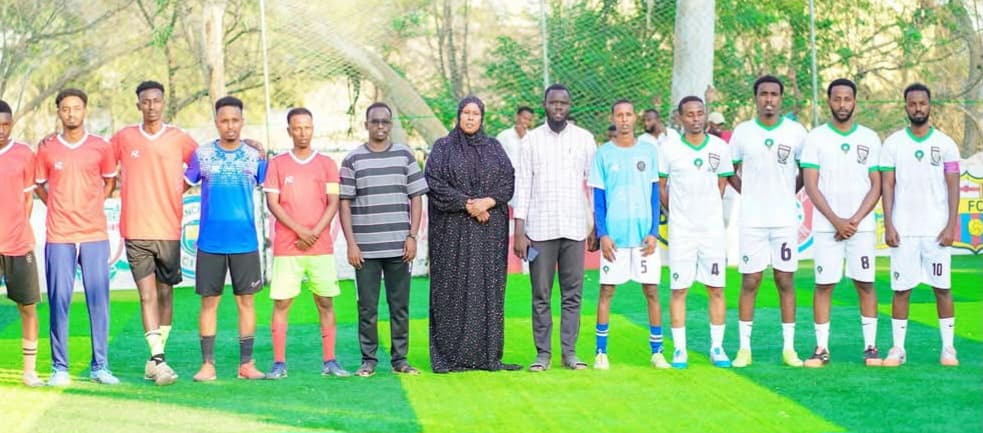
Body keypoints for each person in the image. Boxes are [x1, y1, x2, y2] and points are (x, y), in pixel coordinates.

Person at [110, 81, 197, 386]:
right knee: (147, 295)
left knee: (165, 293)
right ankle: (159, 360)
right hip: (135, 228)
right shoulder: (124, 137)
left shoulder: (178, 138)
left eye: (156, 101)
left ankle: (155, 358)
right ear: (138, 105)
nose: (151, 106)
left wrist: (181, 186)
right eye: (145, 102)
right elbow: (99, 158)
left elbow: (201, 160)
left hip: (168, 228)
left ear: (163, 103)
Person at [425, 95, 519, 373]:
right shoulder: (443, 147)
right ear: (458, 116)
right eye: (466, 112)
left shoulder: (494, 147)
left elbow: (508, 181)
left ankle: (487, 356)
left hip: (489, 234)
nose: (470, 118)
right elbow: (434, 182)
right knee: (452, 289)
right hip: (452, 235)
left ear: (482, 118)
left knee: (487, 290)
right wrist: (468, 205)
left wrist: (487, 202)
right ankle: (450, 357)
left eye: (475, 114)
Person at [36, 88, 119, 386]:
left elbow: (110, 181)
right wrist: (56, 206)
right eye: (65, 108)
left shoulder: (100, 147)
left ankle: (100, 366)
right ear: (58, 111)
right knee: (59, 300)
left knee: (99, 301)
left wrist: (93, 204)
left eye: (76, 108)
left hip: (94, 233)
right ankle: (59, 368)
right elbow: (39, 185)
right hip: (59, 235)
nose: (71, 113)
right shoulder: (47, 149)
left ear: (85, 110)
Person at [339, 102, 427, 377]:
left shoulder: (405, 156)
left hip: (399, 247)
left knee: (399, 306)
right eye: (374, 121)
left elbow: (416, 198)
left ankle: (400, 360)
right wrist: (351, 244)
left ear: (390, 125)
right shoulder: (353, 159)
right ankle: (369, 360)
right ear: (366, 124)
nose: (380, 126)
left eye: (385, 122)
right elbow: (344, 204)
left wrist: (412, 236)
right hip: (365, 250)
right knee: (367, 308)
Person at [799, 78, 883, 368]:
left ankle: (870, 348)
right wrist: (836, 221)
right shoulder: (816, 138)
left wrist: (854, 220)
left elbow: (876, 185)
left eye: (847, 99)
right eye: (837, 99)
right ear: (829, 101)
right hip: (827, 227)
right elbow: (811, 185)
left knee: (865, 283)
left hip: (861, 227)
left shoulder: (870, 138)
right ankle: (821, 348)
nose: (842, 104)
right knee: (824, 285)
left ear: (855, 101)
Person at [185, 96, 268, 381]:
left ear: (242, 122)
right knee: (210, 303)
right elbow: (182, 185)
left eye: (235, 120)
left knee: (246, 303)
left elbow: (271, 188)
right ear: (216, 123)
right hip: (210, 243)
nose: (230, 126)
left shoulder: (255, 156)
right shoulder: (203, 154)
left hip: (245, 242)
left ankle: (246, 364)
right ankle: (208, 365)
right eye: (224, 121)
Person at [513, 84, 595, 372]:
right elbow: (523, 186)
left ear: (569, 106)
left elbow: (593, 185)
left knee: (572, 294)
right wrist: (519, 231)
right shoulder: (531, 141)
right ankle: (543, 354)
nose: (558, 107)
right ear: (544, 105)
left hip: (574, 227)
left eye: (563, 103)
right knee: (541, 294)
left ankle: (569, 353)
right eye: (553, 102)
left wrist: (594, 225)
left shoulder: (584, 139)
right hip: (539, 230)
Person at [263, 107, 349, 379]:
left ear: (313, 129)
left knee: (325, 302)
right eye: (297, 128)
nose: (302, 132)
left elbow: (333, 202)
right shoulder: (277, 164)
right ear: (289, 130)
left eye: (307, 127)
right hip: (288, 248)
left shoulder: (327, 164)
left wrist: (314, 232)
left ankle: (330, 361)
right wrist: (300, 231)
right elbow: (273, 203)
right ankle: (279, 363)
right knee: (282, 303)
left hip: (320, 247)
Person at [728, 75, 807, 368]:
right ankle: (744, 349)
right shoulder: (743, 132)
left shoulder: (796, 132)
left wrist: (787, 192)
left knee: (785, 280)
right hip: (752, 221)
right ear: (756, 98)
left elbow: (806, 172)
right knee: (751, 280)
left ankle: (789, 348)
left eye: (774, 94)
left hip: (784, 220)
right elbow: (728, 169)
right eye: (764, 94)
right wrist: (747, 191)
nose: (769, 99)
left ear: (781, 98)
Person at [879, 83, 961, 367]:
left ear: (929, 106)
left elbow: (953, 186)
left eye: (922, 103)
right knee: (901, 290)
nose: (917, 108)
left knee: (942, 288)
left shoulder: (946, 144)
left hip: (936, 232)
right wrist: (889, 224)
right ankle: (898, 349)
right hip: (904, 231)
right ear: (906, 107)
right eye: (912, 104)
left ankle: (948, 348)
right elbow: (887, 186)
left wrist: (951, 225)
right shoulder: (892, 144)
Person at [589, 99, 667, 370]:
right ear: (613, 118)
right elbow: (599, 199)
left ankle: (657, 352)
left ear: (635, 118)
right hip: (615, 237)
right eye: (619, 115)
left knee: (652, 291)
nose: (624, 119)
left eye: (628, 114)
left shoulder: (649, 151)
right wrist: (603, 233)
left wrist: (654, 232)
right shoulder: (603, 154)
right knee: (607, 291)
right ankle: (601, 352)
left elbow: (655, 195)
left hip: (644, 237)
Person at [659, 96, 734, 368]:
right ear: (680, 118)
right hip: (682, 231)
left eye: (700, 113)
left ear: (705, 115)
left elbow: (722, 182)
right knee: (679, 289)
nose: (695, 119)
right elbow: (661, 186)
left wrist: (707, 210)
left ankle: (717, 347)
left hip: (711, 230)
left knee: (716, 288)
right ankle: (680, 350)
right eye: (689, 114)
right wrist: (678, 213)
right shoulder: (668, 149)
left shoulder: (719, 147)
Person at [0, 100, 43, 387]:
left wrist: (16, 229)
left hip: (19, 245)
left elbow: (28, 198)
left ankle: (29, 371)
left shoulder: (24, 154)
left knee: (27, 307)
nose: (2, 130)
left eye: (6, 124)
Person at [496, 106, 534, 171]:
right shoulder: (503, 136)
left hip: (527, 175)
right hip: (507, 174)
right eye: (524, 118)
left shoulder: (532, 138)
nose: (526, 122)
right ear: (517, 117)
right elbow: (496, 158)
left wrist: (523, 138)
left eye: (529, 120)